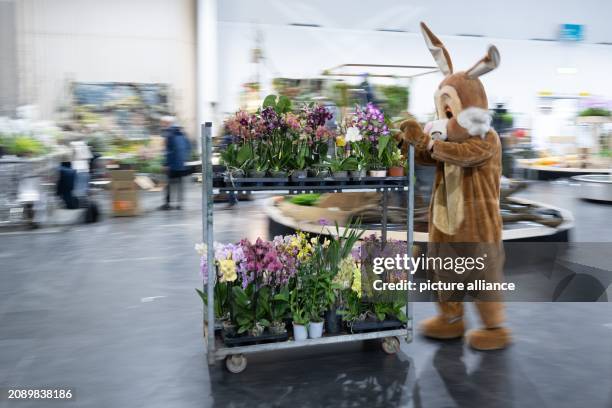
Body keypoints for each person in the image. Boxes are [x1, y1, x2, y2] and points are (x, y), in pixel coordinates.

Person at [160, 116, 191, 210]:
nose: (163, 125)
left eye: (164, 123)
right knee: (179, 184)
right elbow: (188, 147)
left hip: (172, 164)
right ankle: (179, 203)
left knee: (168, 184)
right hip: (181, 164)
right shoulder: (183, 134)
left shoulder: (169, 134)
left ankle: (167, 204)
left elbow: (168, 151)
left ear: (168, 123)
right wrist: (184, 159)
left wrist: (166, 164)